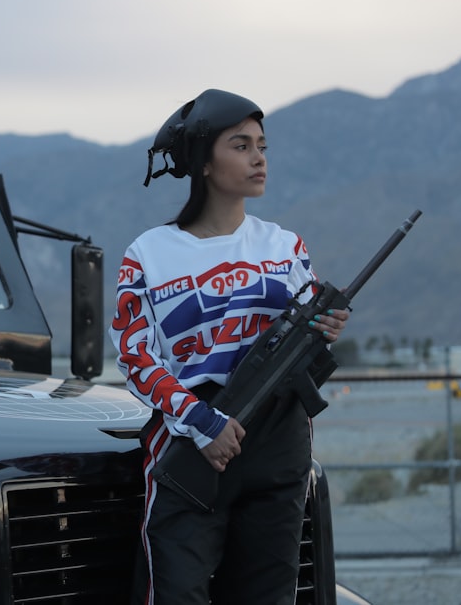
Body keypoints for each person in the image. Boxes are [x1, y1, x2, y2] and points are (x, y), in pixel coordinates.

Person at [109, 89, 350, 604]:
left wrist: (326, 325)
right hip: (195, 439)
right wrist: (200, 421)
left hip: (281, 444)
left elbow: (304, 336)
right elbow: (135, 355)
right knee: (176, 592)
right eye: (240, 145)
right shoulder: (149, 254)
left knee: (270, 593)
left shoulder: (285, 246)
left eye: (262, 144)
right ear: (202, 161)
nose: (259, 157)